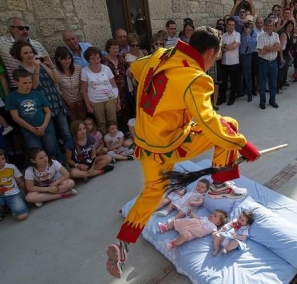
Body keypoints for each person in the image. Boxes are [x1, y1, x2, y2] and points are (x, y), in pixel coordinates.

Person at [105, 26, 261, 278]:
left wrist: (166, 102)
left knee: (151, 194)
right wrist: (245, 146)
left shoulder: (160, 56)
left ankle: (122, 244)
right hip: (171, 145)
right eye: (217, 54)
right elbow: (210, 124)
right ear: (210, 52)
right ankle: (220, 184)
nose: (216, 59)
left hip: (144, 145)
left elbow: (135, 69)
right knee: (228, 126)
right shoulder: (197, 79)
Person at [11, 41, 71, 152]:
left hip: (54, 100)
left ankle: (72, 154)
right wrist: (37, 69)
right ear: (19, 55)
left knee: (65, 130)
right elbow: (34, 86)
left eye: (31, 52)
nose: (30, 55)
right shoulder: (20, 71)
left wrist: (51, 65)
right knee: (51, 135)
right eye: (26, 53)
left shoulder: (41, 64)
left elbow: (57, 79)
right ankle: (58, 159)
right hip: (40, 105)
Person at [0, 17, 49, 89]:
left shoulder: (37, 44)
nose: (25, 31)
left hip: (45, 86)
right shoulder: (2, 42)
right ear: (11, 29)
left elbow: (49, 65)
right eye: (21, 28)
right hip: (19, 88)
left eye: (26, 28)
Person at [5, 69, 59, 160]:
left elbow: (48, 111)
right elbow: (15, 117)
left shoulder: (37, 94)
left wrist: (43, 126)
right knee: (35, 152)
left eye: (29, 82)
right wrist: (32, 129)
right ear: (16, 83)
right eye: (24, 83)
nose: (28, 85)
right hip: (29, 131)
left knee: (51, 149)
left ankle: (54, 166)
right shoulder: (11, 97)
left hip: (45, 128)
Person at [81, 47, 120, 133]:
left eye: (98, 58)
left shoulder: (106, 68)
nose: (96, 60)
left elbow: (114, 85)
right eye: (93, 58)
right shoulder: (85, 71)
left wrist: (118, 101)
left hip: (111, 98)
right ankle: (105, 140)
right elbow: (84, 90)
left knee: (112, 121)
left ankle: (114, 139)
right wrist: (88, 105)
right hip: (95, 100)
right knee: (101, 122)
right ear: (88, 59)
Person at [157, 209, 228, 249]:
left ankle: (174, 244)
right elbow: (198, 218)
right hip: (187, 223)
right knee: (177, 221)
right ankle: (165, 227)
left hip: (191, 232)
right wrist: (192, 214)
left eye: (214, 216)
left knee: (184, 236)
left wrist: (216, 235)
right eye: (212, 213)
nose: (212, 215)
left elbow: (214, 233)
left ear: (218, 223)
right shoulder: (205, 218)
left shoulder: (213, 227)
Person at [101, 39, 132, 127]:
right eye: (113, 48)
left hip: (123, 89)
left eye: (117, 48)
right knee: (115, 110)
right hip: (112, 89)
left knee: (125, 108)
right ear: (108, 49)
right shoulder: (104, 61)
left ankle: (126, 129)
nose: (116, 50)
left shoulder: (121, 59)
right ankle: (115, 130)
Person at [54, 47, 86, 122]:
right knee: (74, 122)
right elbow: (58, 90)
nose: (67, 61)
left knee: (83, 120)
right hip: (67, 102)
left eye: (69, 58)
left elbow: (82, 84)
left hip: (80, 100)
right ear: (58, 59)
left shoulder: (77, 68)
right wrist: (68, 102)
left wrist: (81, 99)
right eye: (64, 59)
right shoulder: (56, 71)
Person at [257, 19, 281, 109]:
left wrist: (266, 47)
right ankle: (262, 102)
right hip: (264, 63)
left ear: (273, 26)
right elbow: (261, 52)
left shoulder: (276, 35)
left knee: (273, 84)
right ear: (265, 26)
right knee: (262, 84)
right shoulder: (261, 36)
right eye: (268, 25)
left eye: (271, 25)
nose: (270, 27)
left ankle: (272, 100)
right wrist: (273, 48)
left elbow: (278, 48)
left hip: (274, 63)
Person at [220, 18, 242, 105]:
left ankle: (232, 98)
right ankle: (223, 98)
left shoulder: (237, 35)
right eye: (229, 25)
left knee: (233, 82)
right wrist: (228, 46)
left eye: (233, 25)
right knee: (223, 82)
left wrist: (225, 47)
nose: (231, 27)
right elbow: (221, 49)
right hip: (224, 62)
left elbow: (235, 46)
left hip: (234, 62)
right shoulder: (223, 35)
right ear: (226, 25)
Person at [277, 20, 295, 92]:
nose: (290, 27)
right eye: (288, 26)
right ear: (286, 26)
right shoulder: (283, 34)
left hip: (286, 55)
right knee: (281, 72)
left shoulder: (290, 34)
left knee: (285, 72)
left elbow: (287, 48)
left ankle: (281, 85)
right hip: (282, 55)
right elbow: (281, 47)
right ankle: (277, 87)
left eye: (291, 26)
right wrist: (281, 58)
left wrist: (290, 56)